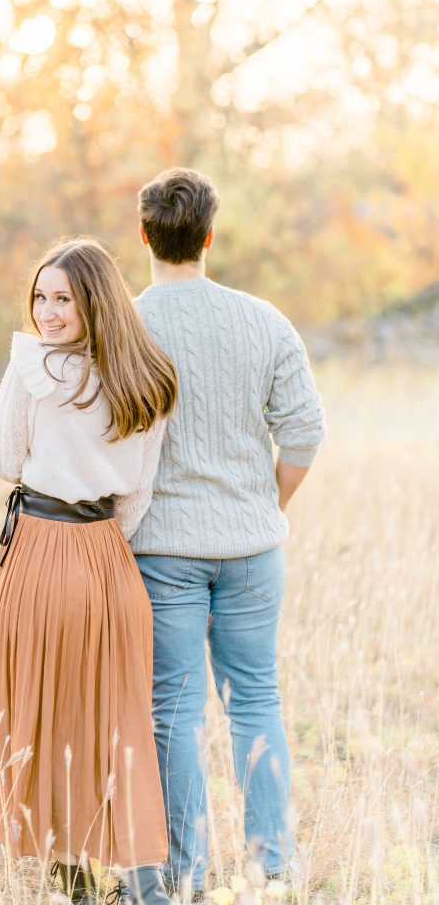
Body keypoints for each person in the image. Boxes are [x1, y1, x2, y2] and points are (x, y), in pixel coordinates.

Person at [0, 238, 178, 905]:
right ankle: (122, 867)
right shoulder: (146, 375)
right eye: (40, 297)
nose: (46, 312)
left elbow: (3, 458)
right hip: (109, 557)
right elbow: (138, 494)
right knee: (108, 716)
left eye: (62, 299)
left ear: (92, 302)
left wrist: (24, 376)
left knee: (41, 708)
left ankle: (68, 867)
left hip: (43, 547)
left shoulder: (35, 368)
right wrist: (99, 544)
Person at [130, 168, 326, 898]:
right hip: (252, 547)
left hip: (162, 550)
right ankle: (272, 863)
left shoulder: (123, 324)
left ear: (144, 235)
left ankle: (183, 873)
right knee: (256, 700)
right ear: (210, 236)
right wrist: (267, 504)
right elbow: (304, 433)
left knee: (173, 712)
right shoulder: (263, 321)